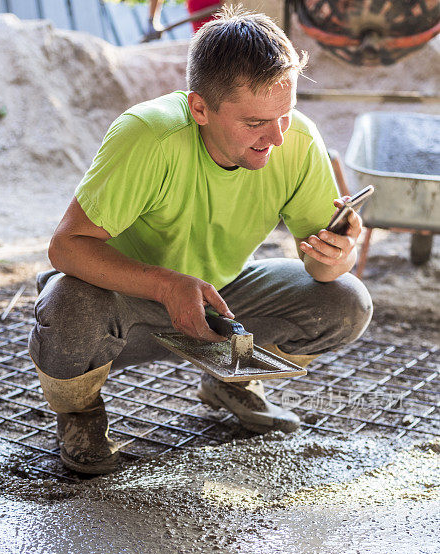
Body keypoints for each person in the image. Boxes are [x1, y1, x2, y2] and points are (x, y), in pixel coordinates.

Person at [28, 9, 372, 475]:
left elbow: (322, 271)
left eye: (285, 116)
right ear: (199, 108)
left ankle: (234, 381)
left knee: (347, 301)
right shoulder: (148, 135)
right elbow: (66, 247)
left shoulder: (296, 140)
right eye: (255, 123)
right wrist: (167, 284)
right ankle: (80, 414)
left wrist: (339, 254)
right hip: (123, 307)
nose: (276, 137)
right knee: (66, 306)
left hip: (221, 300)